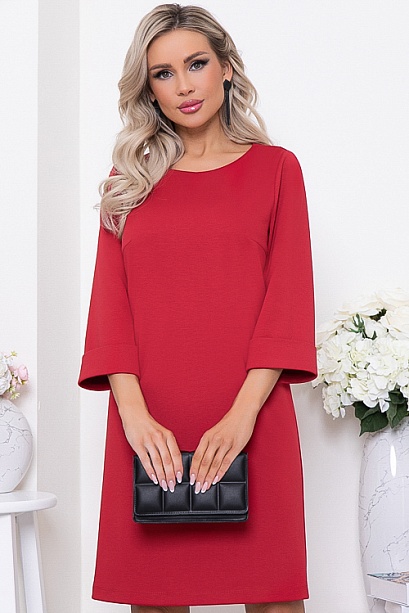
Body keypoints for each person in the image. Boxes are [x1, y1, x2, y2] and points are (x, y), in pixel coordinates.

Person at [78, 4, 317, 613]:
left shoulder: (277, 170)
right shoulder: (129, 179)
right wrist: (134, 417)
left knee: (273, 596)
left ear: (226, 68)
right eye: (163, 73)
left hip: (253, 415)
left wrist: (241, 418)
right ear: (149, 88)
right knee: (156, 597)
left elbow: (287, 303)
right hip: (148, 422)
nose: (183, 85)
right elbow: (110, 307)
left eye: (196, 64)